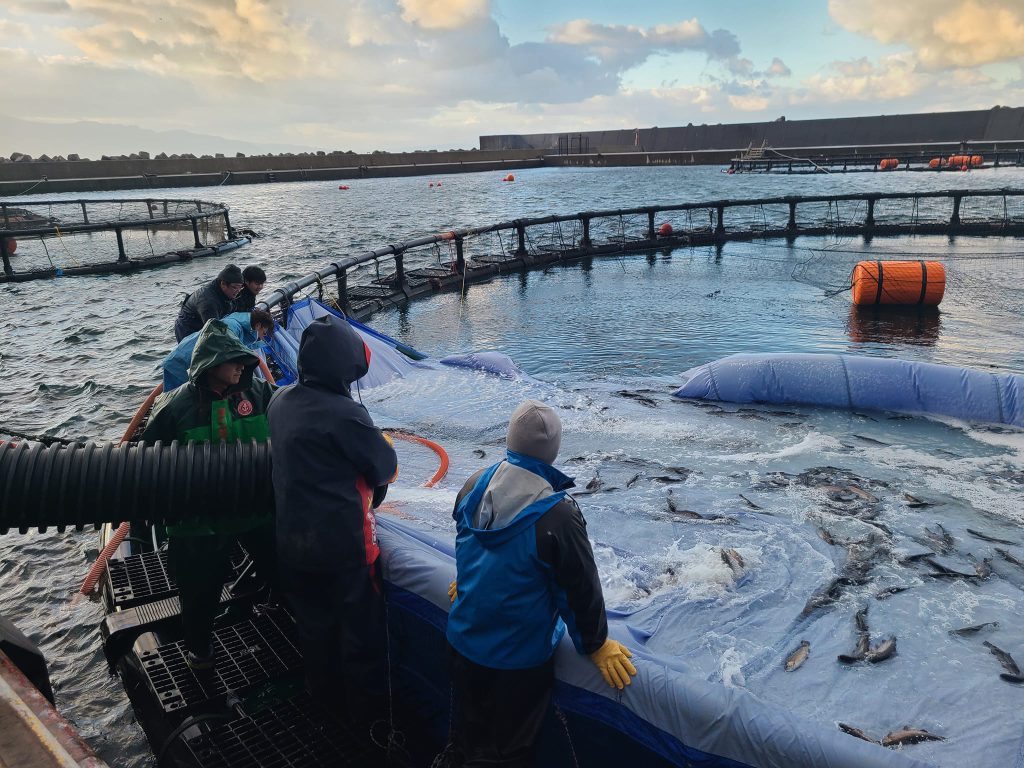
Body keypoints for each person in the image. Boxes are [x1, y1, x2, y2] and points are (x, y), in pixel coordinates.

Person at [446, 400, 637, 767]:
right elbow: (579, 587)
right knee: (509, 752)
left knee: (469, 734)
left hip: (461, 643)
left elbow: (466, 538)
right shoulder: (558, 515)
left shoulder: (474, 482)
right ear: (554, 451)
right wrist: (595, 645)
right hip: (516, 663)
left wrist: (468, 581)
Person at [267, 314, 397, 722]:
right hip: (345, 553)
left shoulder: (279, 401)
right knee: (362, 642)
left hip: (291, 545)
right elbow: (385, 469)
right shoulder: (347, 415)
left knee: (315, 633)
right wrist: (382, 443)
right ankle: (368, 725)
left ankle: (322, 709)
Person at [140, 318, 276, 669]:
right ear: (210, 367)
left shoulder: (260, 394)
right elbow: (146, 471)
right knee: (199, 591)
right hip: (198, 523)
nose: (242, 366)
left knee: (283, 565)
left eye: (243, 360)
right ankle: (200, 651)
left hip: (255, 511)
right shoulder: (172, 409)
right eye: (233, 361)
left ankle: (281, 608)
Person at [161, 309, 274, 392]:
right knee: (174, 401)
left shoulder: (239, 327)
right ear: (258, 325)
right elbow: (225, 352)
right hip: (181, 363)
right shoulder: (233, 327)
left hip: (188, 362)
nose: (262, 337)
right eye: (264, 333)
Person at [173, 264, 245, 342]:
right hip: (188, 328)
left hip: (207, 320)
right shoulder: (208, 301)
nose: (238, 291)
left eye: (240, 287)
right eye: (234, 287)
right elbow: (215, 331)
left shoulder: (229, 292)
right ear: (223, 284)